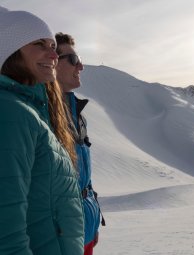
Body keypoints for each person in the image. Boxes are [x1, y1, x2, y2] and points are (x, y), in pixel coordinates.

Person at [0, 6, 84, 255]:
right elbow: (6, 233)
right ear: (10, 51)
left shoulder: (31, 110)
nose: (53, 55)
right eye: (40, 44)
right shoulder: (12, 113)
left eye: (53, 47)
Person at [55, 32, 104, 255]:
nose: (81, 66)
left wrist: (93, 218)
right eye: (73, 60)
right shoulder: (41, 114)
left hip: (85, 227)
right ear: (53, 63)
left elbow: (85, 178)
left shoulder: (78, 113)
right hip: (63, 236)